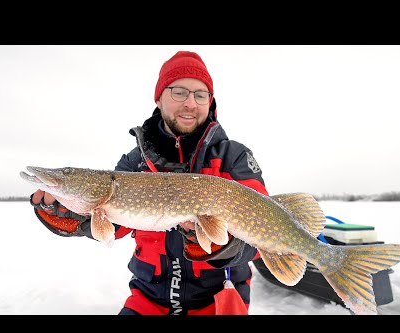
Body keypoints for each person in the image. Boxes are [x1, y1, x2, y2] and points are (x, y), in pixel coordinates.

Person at [29, 50, 269, 315]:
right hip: (148, 301)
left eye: (200, 95)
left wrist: (222, 245)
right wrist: (74, 219)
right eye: (179, 92)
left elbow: (261, 236)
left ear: (210, 102)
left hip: (218, 303)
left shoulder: (233, 157)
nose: (190, 103)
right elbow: (114, 227)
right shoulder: (135, 163)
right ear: (159, 97)